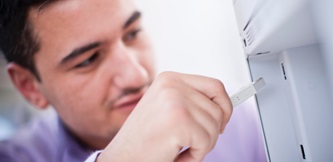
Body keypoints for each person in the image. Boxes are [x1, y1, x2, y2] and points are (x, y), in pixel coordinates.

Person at [0, 0, 267, 161]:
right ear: (29, 86)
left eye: (132, 33)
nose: (137, 75)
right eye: (88, 60)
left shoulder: (235, 122)